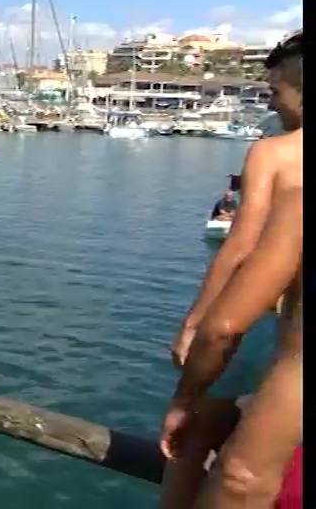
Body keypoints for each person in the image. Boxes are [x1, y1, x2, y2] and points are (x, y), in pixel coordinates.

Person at [161, 30, 303, 508]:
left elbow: (240, 247)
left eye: (275, 93)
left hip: (267, 318)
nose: (274, 105)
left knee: (204, 435)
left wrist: (193, 322)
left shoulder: (274, 151)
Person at [165, 187, 302, 509]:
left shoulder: (278, 166)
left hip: (288, 396)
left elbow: (224, 329)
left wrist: (185, 400)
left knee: (225, 465)